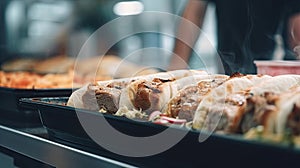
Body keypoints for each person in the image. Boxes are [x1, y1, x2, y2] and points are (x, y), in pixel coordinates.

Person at [169, 0, 300, 75]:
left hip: (275, 70)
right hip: (228, 70)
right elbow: (195, 10)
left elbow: (296, 20)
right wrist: (177, 64)